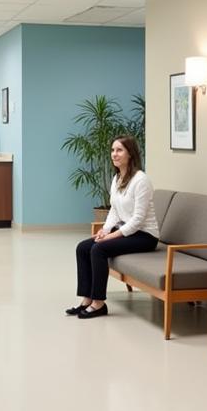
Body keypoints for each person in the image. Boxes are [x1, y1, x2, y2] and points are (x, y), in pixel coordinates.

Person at [68, 137, 159, 320]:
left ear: (130, 154)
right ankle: (87, 299)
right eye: (113, 150)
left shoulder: (141, 180)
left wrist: (111, 237)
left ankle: (99, 303)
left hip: (145, 235)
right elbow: (115, 211)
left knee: (98, 249)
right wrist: (105, 230)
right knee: (83, 247)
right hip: (126, 231)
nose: (114, 154)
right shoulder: (117, 178)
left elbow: (138, 220)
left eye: (119, 150)